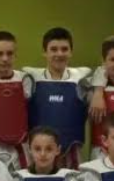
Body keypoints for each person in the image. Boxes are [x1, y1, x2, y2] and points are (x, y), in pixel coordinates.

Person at [24, 27, 92, 169]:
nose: (59, 54)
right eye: (54, 49)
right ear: (44, 52)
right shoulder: (30, 77)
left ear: (71, 52)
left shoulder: (82, 77)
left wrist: (99, 91)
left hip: (72, 153)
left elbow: (106, 71)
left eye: (64, 49)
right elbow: (1, 74)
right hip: (39, 155)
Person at [0, 31, 34, 167]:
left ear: (16, 55)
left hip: (21, 148)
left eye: (9, 53)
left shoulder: (25, 80)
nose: (5, 58)